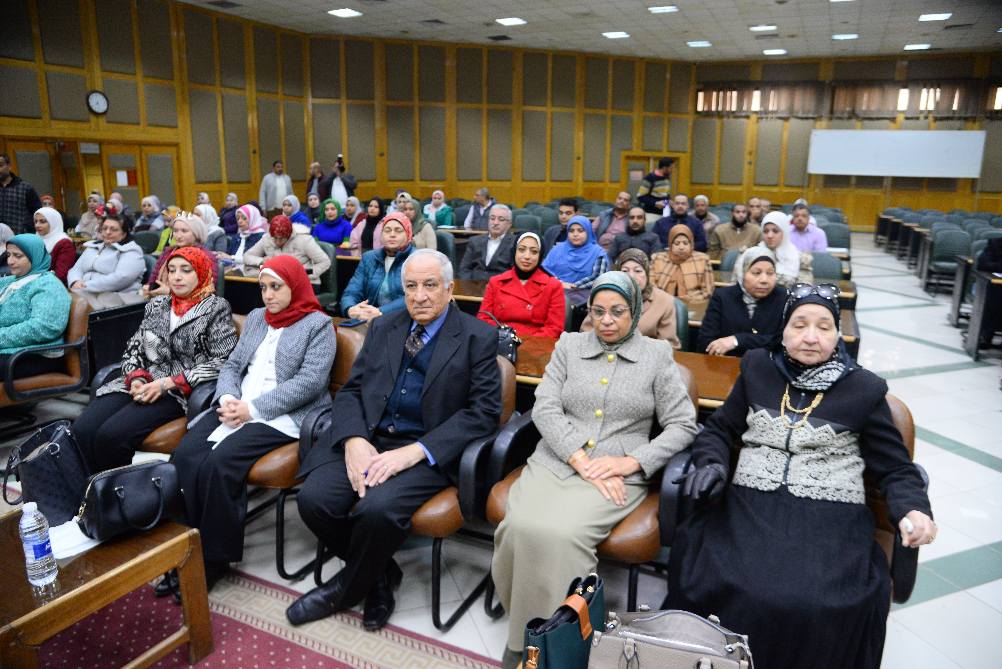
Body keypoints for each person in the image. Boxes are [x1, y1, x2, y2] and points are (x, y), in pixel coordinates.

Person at [668, 284, 935, 669]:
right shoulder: (757, 367)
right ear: (783, 330)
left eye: (824, 327)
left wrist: (913, 509)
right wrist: (713, 463)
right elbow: (720, 430)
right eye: (800, 325)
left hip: (827, 518)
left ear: (838, 334)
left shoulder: (864, 389)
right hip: (750, 507)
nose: (811, 337)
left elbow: (895, 467)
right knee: (717, 577)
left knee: (816, 601)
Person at [287, 249, 502, 630]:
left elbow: (483, 413)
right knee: (314, 500)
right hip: (369, 437)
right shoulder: (384, 326)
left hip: (425, 451)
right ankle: (380, 575)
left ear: (449, 288)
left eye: (430, 285)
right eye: (411, 287)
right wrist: (354, 440)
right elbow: (352, 390)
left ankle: (345, 591)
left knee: (377, 511)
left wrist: (415, 452)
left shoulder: (478, 337)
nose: (419, 296)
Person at [492, 270, 697, 667]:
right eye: (598, 311)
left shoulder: (656, 355)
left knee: (563, 535)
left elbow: (683, 425)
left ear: (634, 311)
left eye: (617, 311)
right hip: (557, 460)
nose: (606, 320)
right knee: (517, 527)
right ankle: (525, 635)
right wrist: (578, 458)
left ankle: (560, 644)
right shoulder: (569, 345)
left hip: (616, 474)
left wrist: (632, 461)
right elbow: (545, 407)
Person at [172, 255, 335, 590]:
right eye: (263, 287)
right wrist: (228, 397)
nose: (268, 295)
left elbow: (309, 383)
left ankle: (215, 558)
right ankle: (185, 548)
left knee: (220, 463)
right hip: (238, 404)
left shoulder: (318, 324)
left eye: (276, 287)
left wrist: (253, 409)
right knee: (184, 456)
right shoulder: (258, 317)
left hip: (284, 415)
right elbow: (233, 365)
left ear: (295, 286)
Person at [74, 246, 237, 472]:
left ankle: (115, 491)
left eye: (186, 270)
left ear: (201, 272)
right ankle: (87, 489)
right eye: (172, 270)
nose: (177, 276)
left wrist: (169, 383)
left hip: (178, 390)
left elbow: (223, 361)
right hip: (141, 383)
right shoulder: (157, 305)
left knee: (111, 436)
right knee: (82, 429)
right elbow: (134, 348)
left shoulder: (216, 308)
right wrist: (136, 378)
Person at [0, 234, 71, 380]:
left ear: (35, 256)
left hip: (35, 354)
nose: (10, 261)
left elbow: (45, 327)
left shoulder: (48, 285)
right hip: (10, 350)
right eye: (9, 255)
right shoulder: (12, 281)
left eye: (18, 256)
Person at [581, 249, 680, 348]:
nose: (631, 276)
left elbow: (669, 347)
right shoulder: (601, 296)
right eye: (625, 271)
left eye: (638, 271)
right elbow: (586, 336)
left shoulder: (664, 301)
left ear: (647, 274)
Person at [697, 247, 785, 356]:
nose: (764, 280)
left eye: (770, 273)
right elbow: (705, 343)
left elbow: (783, 342)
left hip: (769, 364)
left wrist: (737, 340)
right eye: (756, 273)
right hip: (727, 363)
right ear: (742, 273)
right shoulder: (722, 297)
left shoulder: (784, 298)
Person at [478, 231, 565, 339]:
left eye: (534, 252)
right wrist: (504, 337)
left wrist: (525, 342)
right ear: (514, 252)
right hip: (499, 341)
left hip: (537, 345)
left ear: (540, 256)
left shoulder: (553, 286)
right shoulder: (496, 282)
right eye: (521, 250)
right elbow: (483, 318)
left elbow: (554, 328)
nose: (527, 256)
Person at [340, 212, 414, 321]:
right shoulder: (369, 258)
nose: (392, 234)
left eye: (398, 230)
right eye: (387, 230)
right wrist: (351, 309)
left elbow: (413, 296)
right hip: (369, 320)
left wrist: (380, 312)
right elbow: (352, 291)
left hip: (405, 321)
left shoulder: (417, 259)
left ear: (408, 234)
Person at [67, 216, 145, 309]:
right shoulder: (92, 247)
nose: (107, 232)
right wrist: (75, 281)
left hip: (117, 297)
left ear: (124, 233)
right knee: (64, 301)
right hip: (85, 291)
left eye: (114, 229)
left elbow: (121, 278)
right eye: (104, 228)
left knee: (76, 307)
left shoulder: (131, 251)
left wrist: (85, 286)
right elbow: (76, 269)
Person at [244, 215, 331, 285]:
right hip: (276, 282)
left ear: (289, 235)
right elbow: (247, 256)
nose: (277, 242)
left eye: (281, 238)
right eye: (275, 238)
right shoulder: (267, 238)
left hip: (305, 283)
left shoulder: (305, 240)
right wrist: (262, 261)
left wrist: (303, 274)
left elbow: (325, 261)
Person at [145, 213, 215, 299]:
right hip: (161, 300)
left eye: (184, 231)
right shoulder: (168, 252)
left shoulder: (206, 257)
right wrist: (148, 287)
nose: (178, 236)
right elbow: (154, 276)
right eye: (175, 231)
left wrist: (170, 293)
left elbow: (206, 292)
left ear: (196, 233)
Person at [650, 224, 715, 305]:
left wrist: (691, 301)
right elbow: (650, 287)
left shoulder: (702, 259)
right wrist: (664, 300)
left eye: (685, 243)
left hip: (694, 303)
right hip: (662, 303)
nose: (681, 247)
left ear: (691, 244)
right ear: (670, 244)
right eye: (677, 243)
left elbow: (708, 291)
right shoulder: (658, 258)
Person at [542, 216, 608, 290]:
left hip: (585, 294)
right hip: (554, 290)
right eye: (571, 231)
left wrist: (574, 286)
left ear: (588, 232)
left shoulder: (598, 252)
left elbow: (598, 278)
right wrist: (559, 283)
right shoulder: (557, 249)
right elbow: (544, 271)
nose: (575, 234)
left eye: (580, 230)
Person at [459, 204, 515, 280]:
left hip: (500, 285)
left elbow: (515, 274)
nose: (495, 223)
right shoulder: (474, 241)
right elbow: (464, 269)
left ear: (509, 224)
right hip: (474, 285)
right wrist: (468, 285)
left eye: (501, 219)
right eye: (492, 218)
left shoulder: (515, 244)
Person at [760, 211, 813, 288]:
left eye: (775, 231)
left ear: (784, 232)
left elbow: (804, 289)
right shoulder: (752, 255)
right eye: (765, 231)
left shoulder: (801, 259)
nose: (770, 235)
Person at [0, 154, 42, 235]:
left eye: (0, 165)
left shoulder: (25, 188)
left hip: (19, 236)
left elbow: (37, 212)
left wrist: (27, 228)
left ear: (9, 166)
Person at [34, 207, 74, 284]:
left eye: (42, 222)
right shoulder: (36, 239)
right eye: (36, 221)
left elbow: (60, 275)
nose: (37, 225)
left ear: (53, 222)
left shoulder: (65, 243)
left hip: (51, 284)